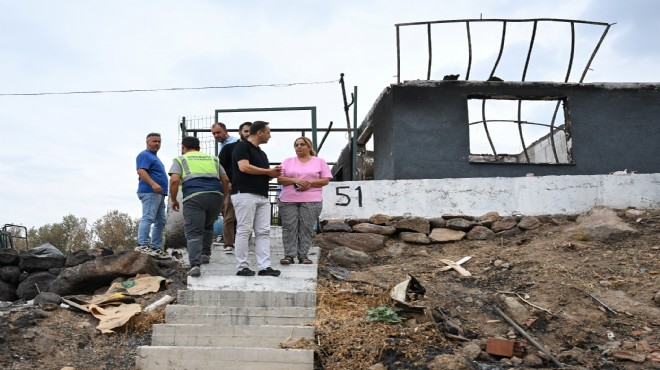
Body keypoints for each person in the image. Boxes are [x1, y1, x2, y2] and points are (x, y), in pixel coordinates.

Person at [168, 136, 231, 277]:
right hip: (215, 196)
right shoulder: (213, 159)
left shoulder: (181, 159)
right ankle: (205, 254)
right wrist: (224, 198)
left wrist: (174, 200)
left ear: (183, 147)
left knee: (193, 232)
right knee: (208, 226)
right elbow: (226, 180)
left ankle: (195, 264)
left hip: (194, 197)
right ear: (199, 147)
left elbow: (174, 181)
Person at [231, 121, 282, 277]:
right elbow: (244, 167)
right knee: (244, 230)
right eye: (268, 132)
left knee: (263, 232)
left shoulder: (262, 153)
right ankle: (242, 267)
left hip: (262, 195)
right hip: (245, 194)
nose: (270, 135)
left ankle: (264, 266)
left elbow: (262, 175)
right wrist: (268, 172)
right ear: (259, 132)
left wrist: (273, 174)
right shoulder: (242, 146)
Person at [277, 137, 332, 264]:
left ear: (309, 147)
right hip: (288, 199)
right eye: (296, 145)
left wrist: (309, 183)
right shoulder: (287, 161)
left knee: (306, 228)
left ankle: (303, 256)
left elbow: (325, 180)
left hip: (312, 199)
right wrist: (296, 180)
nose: (299, 147)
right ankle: (289, 256)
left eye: (302, 144)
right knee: (289, 227)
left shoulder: (320, 162)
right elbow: (280, 179)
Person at [217, 122, 252, 254]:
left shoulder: (256, 151)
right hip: (231, 187)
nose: (248, 134)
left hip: (249, 189)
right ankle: (229, 244)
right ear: (240, 132)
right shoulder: (229, 148)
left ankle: (244, 244)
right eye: (246, 131)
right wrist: (226, 183)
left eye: (251, 131)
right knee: (229, 216)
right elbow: (219, 167)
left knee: (246, 218)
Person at [135, 132, 171, 259]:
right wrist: (153, 184)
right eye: (154, 141)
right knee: (148, 217)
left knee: (161, 221)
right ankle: (142, 244)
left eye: (159, 142)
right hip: (150, 192)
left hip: (159, 194)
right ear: (147, 142)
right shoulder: (144, 155)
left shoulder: (154, 157)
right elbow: (140, 171)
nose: (157, 144)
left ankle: (156, 247)